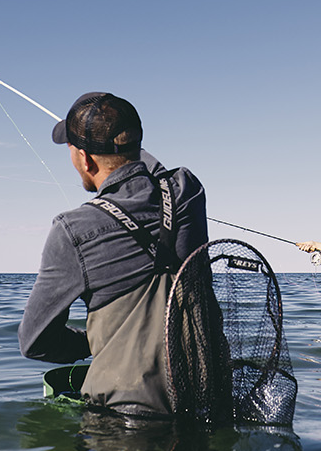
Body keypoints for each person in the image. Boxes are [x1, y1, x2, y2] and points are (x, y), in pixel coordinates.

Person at [18, 92, 208, 418]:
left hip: (123, 422)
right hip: (203, 398)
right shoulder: (187, 191)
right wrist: (128, 150)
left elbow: (34, 341)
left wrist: (93, 342)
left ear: (85, 159)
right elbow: (157, 171)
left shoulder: (72, 229)